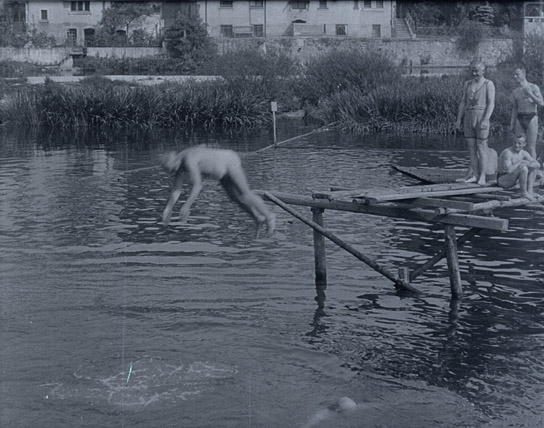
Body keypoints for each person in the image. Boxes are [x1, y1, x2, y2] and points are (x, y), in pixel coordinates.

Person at [161, 146, 275, 238]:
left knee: (245, 194)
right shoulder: (179, 167)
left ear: (175, 159)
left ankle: (269, 216)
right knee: (235, 198)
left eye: (172, 168)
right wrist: (168, 209)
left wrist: (186, 206)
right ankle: (258, 218)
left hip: (229, 162)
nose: (173, 172)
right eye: (170, 171)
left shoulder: (188, 159)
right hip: (220, 173)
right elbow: (176, 189)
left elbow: (198, 185)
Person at [456, 60, 496, 185]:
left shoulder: (488, 84)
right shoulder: (467, 84)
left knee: (481, 147)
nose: (474, 73)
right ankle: (475, 174)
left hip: (481, 116)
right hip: (469, 116)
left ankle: (482, 176)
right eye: (472, 70)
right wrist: (459, 119)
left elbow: (491, 103)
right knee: (471, 148)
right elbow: (463, 102)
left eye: (477, 71)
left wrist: (486, 119)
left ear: (483, 71)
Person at [509, 66, 544, 162]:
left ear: (524, 74)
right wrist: (512, 123)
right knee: (519, 146)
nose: (515, 76)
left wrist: (530, 94)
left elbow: (541, 103)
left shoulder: (533, 87)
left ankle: (533, 170)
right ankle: (522, 168)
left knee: (531, 147)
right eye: (514, 75)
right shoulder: (515, 92)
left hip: (531, 116)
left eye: (517, 74)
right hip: (519, 117)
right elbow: (514, 108)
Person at [497, 135, 541, 201]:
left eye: (519, 143)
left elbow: (537, 164)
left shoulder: (524, 153)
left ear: (524, 144)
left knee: (533, 168)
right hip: (503, 179)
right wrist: (521, 161)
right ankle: (524, 193)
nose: (516, 145)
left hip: (514, 180)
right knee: (523, 168)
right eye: (514, 142)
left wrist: (528, 164)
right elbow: (509, 170)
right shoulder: (508, 153)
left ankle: (530, 192)